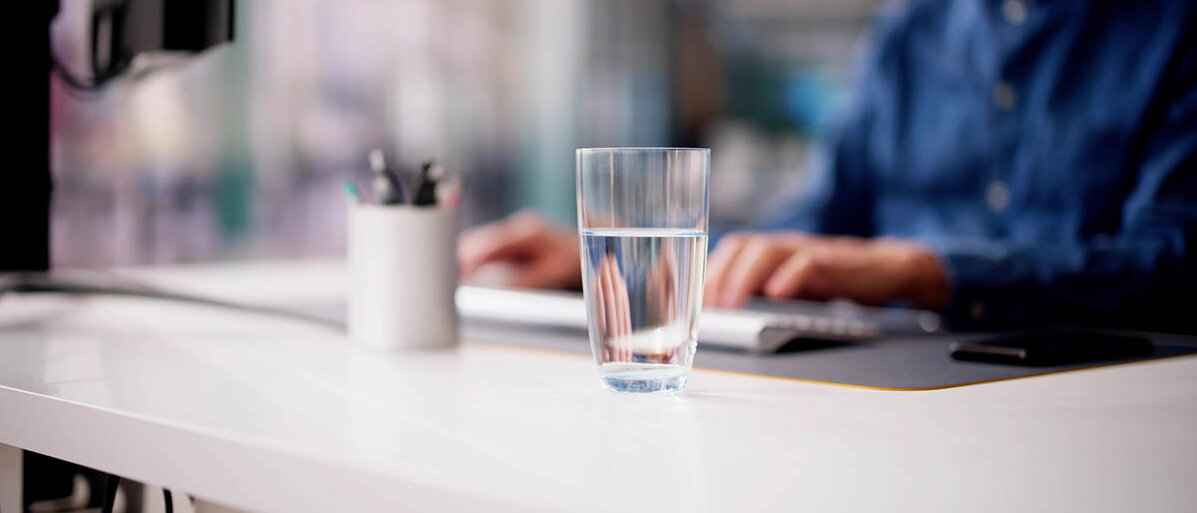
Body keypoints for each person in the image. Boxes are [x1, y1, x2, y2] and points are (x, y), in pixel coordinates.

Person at [459, 0, 1197, 331]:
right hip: (886, 390)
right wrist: (624, 253)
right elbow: (814, 235)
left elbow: (1170, 264)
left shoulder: (1173, 26)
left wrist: (928, 270)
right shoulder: (911, 31)